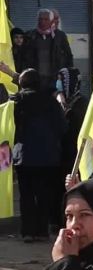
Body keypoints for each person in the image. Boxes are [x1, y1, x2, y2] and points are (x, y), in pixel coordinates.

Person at [13, 69, 66, 241]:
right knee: (44, 194)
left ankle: (28, 231)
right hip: (48, 156)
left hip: (24, 155)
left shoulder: (16, 102)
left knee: (26, 194)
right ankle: (42, 231)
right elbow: (62, 127)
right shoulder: (51, 103)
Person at [15, 9, 73, 91]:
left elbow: (68, 56)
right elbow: (22, 57)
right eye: (40, 19)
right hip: (34, 79)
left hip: (55, 79)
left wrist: (67, 75)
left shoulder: (60, 36)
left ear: (51, 21)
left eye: (46, 19)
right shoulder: (29, 36)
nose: (43, 22)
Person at [57, 67, 86, 175]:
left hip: (74, 156)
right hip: (61, 157)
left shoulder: (80, 103)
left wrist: (64, 108)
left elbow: (71, 128)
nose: (58, 84)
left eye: (61, 81)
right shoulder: (62, 101)